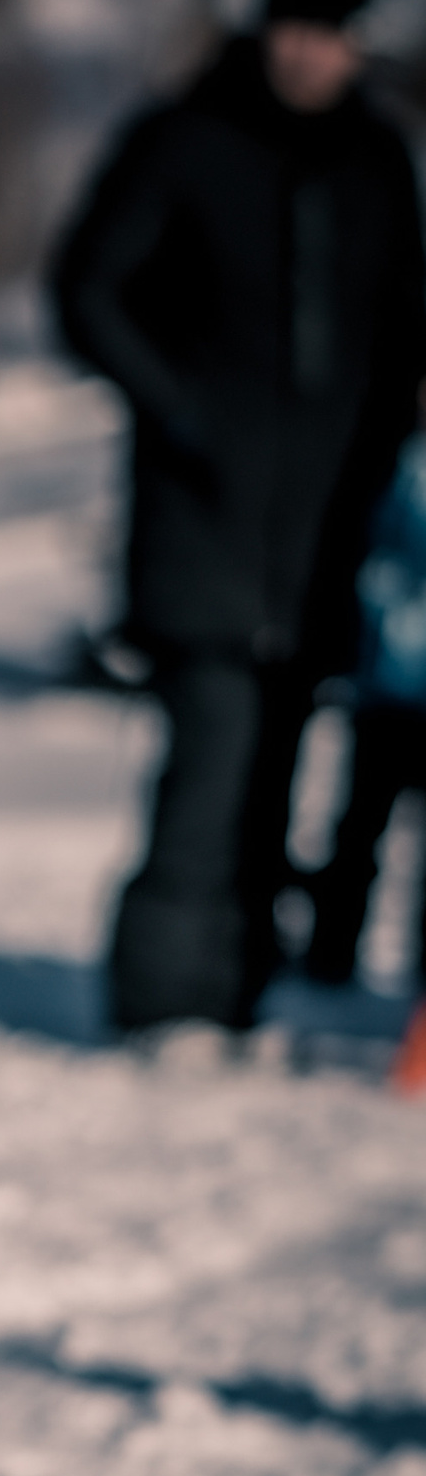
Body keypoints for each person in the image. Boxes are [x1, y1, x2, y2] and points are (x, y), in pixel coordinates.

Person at [54, 0, 426, 1036]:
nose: (311, 50)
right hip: (199, 518)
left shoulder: (376, 159)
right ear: (263, 22)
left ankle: (240, 993)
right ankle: (164, 1004)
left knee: (275, 768)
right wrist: (181, 410)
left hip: (328, 534)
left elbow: (404, 327)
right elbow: (87, 291)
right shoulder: (182, 138)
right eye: (295, 25)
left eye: (334, 31)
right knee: (210, 762)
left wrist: (380, 455)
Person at [302, 429, 426, 1088]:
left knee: (363, 830)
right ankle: (330, 954)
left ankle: (401, 990)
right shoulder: (400, 463)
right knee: (359, 831)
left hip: (388, 677)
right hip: (390, 684)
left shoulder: (393, 461)